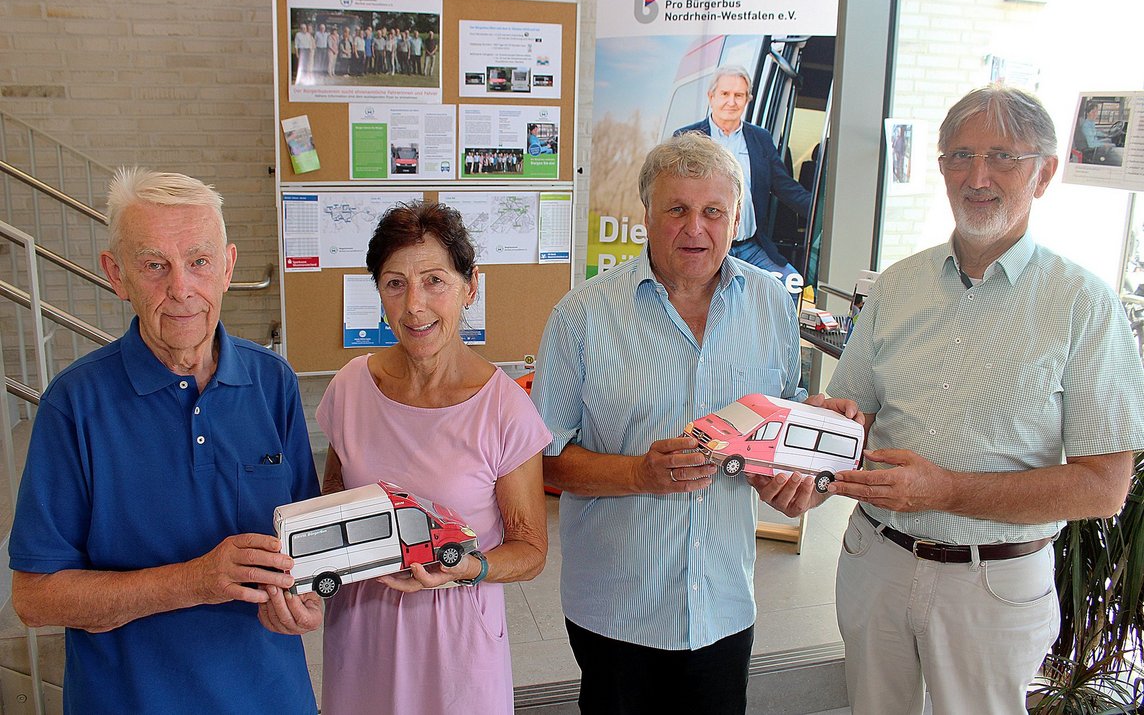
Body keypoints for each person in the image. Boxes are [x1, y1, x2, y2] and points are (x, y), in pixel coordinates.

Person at [826, 84, 1144, 714]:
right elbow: (850, 416)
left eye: (1003, 156)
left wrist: (947, 492)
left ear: (1045, 172)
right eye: (959, 156)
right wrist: (814, 445)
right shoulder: (894, 288)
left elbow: (1104, 487)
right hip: (875, 562)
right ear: (940, 167)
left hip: (993, 583)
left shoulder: (1085, 305)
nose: (977, 177)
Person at [531, 133, 860, 714]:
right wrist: (639, 475)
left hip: (723, 604)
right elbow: (545, 460)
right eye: (676, 209)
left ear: (736, 218)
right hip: (617, 609)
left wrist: (805, 473)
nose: (695, 228)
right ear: (647, 217)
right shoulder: (579, 316)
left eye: (713, 211)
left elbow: (779, 424)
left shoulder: (771, 304)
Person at [8, 168, 321, 713]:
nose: (180, 288)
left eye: (198, 262)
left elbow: (306, 552)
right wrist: (195, 581)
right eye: (155, 265)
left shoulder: (274, 382)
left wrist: (305, 600)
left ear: (226, 267)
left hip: (271, 697)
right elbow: (34, 598)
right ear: (117, 274)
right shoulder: (74, 404)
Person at [316, 201, 551, 714]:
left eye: (434, 281)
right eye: (395, 283)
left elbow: (530, 549)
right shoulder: (351, 389)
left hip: (455, 641)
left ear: (470, 288)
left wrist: (468, 567)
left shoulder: (502, 407)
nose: (414, 306)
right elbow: (334, 492)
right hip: (362, 631)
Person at [674, 65, 812, 293]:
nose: (732, 101)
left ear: (748, 99)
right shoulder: (687, 138)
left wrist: (825, 216)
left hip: (750, 247)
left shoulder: (760, 139)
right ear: (711, 97)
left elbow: (785, 187)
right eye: (725, 94)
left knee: (790, 287)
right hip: (707, 245)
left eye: (739, 95)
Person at [1077, 100, 1123, 166]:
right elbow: (1091, 144)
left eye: (1096, 112)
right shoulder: (1086, 126)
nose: (1095, 114)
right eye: (1093, 112)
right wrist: (1103, 145)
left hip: (1094, 142)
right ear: (1088, 113)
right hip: (1092, 149)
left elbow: (1095, 132)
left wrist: (1105, 135)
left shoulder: (1090, 122)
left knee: (1108, 140)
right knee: (1113, 145)